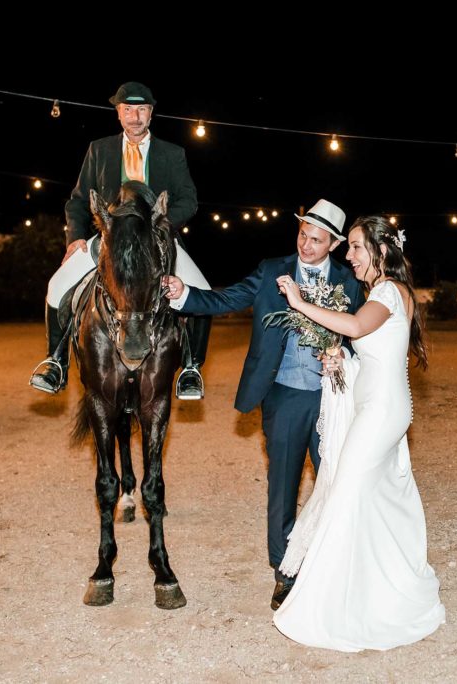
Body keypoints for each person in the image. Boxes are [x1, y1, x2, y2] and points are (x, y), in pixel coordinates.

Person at [162, 199, 365, 610]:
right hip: (284, 395)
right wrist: (185, 295)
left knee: (337, 484)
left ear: (333, 244)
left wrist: (346, 357)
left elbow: (363, 334)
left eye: (316, 239)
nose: (306, 245)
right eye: (302, 235)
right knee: (283, 486)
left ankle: (331, 565)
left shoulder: (350, 281)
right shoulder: (273, 269)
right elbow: (226, 300)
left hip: (334, 398)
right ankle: (284, 572)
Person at [270, 215, 444, 652]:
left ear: (381, 252)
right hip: (378, 406)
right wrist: (342, 365)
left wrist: (299, 301)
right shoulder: (382, 292)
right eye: (348, 247)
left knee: (344, 492)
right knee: (366, 496)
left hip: (383, 413)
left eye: (356, 247)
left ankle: (341, 604)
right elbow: (372, 358)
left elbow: (354, 327)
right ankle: (375, 585)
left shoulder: (388, 291)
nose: (348, 255)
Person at [29, 81, 212, 400]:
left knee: (204, 293)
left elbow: (189, 200)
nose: (135, 116)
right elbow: (77, 200)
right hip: (110, 240)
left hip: (158, 241)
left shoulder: (172, 153)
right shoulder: (99, 150)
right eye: (128, 110)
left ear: (151, 114)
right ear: (118, 113)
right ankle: (55, 360)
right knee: (57, 286)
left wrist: (161, 226)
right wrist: (75, 237)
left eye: (141, 110)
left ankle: (191, 368)